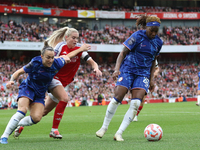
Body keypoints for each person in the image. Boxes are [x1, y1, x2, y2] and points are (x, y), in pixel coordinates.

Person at [14, 27, 102, 139]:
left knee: (42, 113)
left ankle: (20, 125)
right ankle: (54, 130)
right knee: (65, 98)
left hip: (63, 83)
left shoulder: (80, 49)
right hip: (54, 78)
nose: (76, 40)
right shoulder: (61, 47)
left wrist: (96, 68)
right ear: (66, 37)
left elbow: (91, 61)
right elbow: (53, 60)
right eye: (73, 38)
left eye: (77, 38)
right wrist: (76, 51)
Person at [0, 41, 91, 144]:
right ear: (42, 56)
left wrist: (80, 49)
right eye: (48, 57)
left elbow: (67, 56)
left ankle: (16, 124)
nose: (51, 60)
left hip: (40, 93)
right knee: (22, 110)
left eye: (52, 57)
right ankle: (4, 136)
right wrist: (11, 80)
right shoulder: (35, 62)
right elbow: (18, 72)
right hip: (28, 88)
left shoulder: (57, 63)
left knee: (37, 118)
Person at [96, 15, 163, 141]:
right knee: (118, 98)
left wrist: (152, 79)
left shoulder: (158, 42)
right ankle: (104, 128)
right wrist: (117, 69)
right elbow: (122, 53)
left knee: (136, 103)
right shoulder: (137, 36)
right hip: (128, 69)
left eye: (156, 31)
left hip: (143, 73)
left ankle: (119, 133)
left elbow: (154, 60)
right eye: (151, 31)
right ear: (146, 28)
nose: (153, 33)